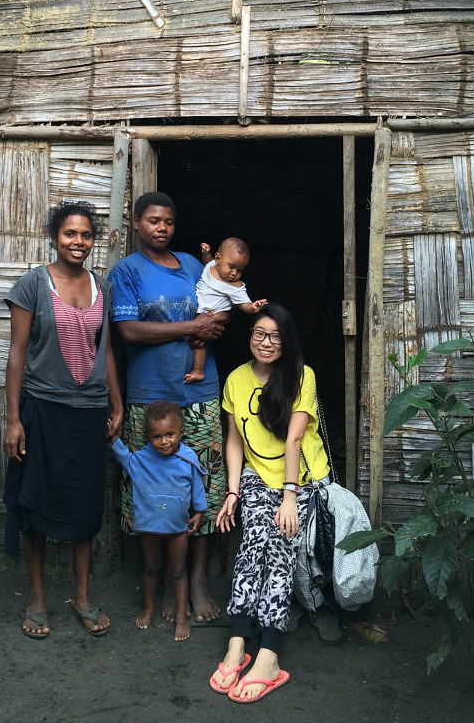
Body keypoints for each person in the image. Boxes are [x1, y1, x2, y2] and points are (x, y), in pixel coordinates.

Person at [3, 202, 123, 639]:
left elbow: (106, 349)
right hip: (41, 409)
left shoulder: (101, 286)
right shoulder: (33, 284)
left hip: (88, 413)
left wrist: (117, 402)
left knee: (84, 505)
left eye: (86, 235)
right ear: (54, 237)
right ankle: (36, 598)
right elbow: (17, 353)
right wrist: (13, 418)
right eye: (70, 234)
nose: (79, 242)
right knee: (34, 504)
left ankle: (83, 597)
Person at [108, 191, 227, 624]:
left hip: (199, 392)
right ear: (137, 222)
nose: (163, 228)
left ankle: (196, 581)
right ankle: (153, 581)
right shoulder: (126, 272)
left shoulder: (193, 266)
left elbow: (214, 309)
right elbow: (128, 331)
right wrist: (192, 325)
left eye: (169, 222)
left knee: (202, 486)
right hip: (150, 397)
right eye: (154, 220)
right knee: (154, 490)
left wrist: (212, 325)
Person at [209, 302, 330, 702]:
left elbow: (294, 439)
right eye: (260, 333)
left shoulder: (302, 376)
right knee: (251, 543)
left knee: (278, 542)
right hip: (257, 478)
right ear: (250, 337)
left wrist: (290, 497)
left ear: (287, 341)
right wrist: (232, 492)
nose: (266, 342)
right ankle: (238, 643)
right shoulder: (236, 380)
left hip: (302, 480)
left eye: (275, 336)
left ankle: (270, 653)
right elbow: (233, 440)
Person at [111, 400, 207, 641]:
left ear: (181, 432)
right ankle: (149, 608)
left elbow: (197, 488)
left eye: (170, 434)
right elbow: (123, 455)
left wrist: (199, 512)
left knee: (178, 570)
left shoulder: (188, 459)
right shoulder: (141, 460)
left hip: (177, 530)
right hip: (150, 529)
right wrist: (112, 437)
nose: (164, 441)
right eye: (157, 437)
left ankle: (183, 615)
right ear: (148, 437)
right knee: (151, 567)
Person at [184, 237, 267, 384]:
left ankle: (198, 371)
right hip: (197, 314)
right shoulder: (211, 267)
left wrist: (252, 307)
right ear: (217, 258)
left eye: (240, 270)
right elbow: (208, 262)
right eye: (232, 267)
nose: (235, 273)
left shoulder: (235, 286)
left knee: (198, 344)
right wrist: (205, 253)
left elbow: (243, 303)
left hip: (209, 318)